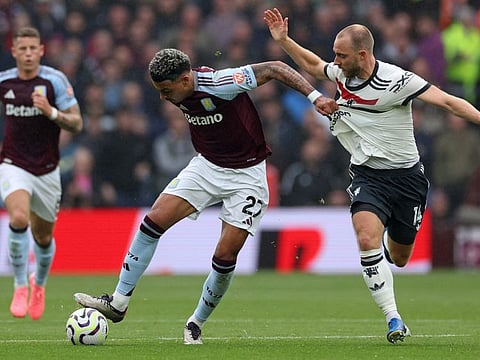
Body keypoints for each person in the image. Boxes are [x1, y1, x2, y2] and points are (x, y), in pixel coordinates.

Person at [73, 48, 338, 344]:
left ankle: (196, 322)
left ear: (186, 79)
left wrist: (316, 98)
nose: (163, 98)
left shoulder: (222, 83)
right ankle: (118, 303)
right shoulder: (180, 89)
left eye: (166, 90)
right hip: (207, 166)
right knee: (153, 222)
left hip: (247, 176)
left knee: (225, 255)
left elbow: (275, 67)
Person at [264, 7, 480, 344]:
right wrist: (285, 40)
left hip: (407, 179)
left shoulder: (397, 81)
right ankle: (393, 318)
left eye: (341, 55)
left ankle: (393, 266)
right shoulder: (341, 75)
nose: (334, 61)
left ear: (362, 55)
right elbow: (311, 65)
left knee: (400, 257)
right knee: (366, 240)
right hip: (368, 176)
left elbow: (449, 103)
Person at [0, 27, 83, 320]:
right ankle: (20, 285)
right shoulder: (5, 81)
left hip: (47, 170)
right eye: (22, 49)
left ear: (41, 50)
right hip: (13, 164)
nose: (27, 54)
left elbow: (77, 123)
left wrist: (50, 112)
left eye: (32, 48)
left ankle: (39, 285)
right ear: (14, 51)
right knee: (19, 218)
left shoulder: (54, 81)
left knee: (44, 238)